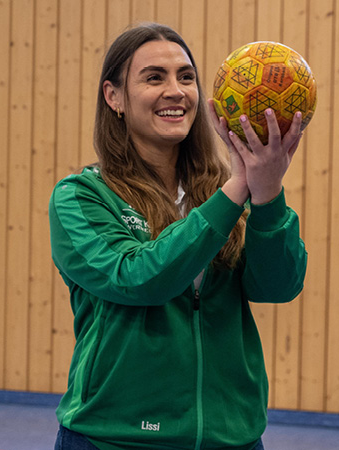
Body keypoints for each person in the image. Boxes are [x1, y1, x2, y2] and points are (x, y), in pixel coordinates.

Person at [49, 22, 307, 450]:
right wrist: (238, 190)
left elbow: (278, 286)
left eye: (186, 77)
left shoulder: (222, 191)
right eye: (154, 77)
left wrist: (268, 194)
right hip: (116, 438)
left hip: (232, 437)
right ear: (114, 97)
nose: (176, 91)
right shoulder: (80, 196)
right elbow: (138, 278)